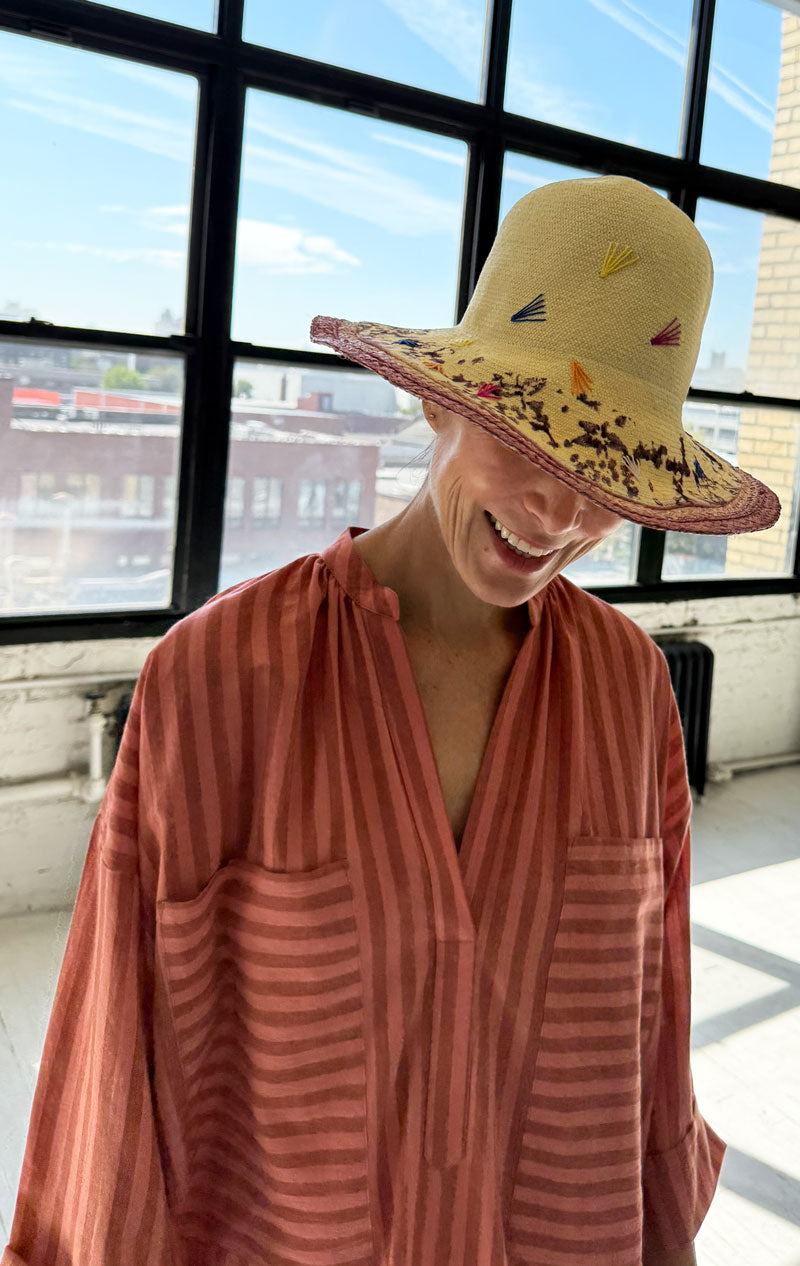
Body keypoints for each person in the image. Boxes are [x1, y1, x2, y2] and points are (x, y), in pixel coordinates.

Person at [1, 175, 780, 1266]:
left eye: (607, 470)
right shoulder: (220, 680)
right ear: (438, 403)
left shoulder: (629, 690)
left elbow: (651, 1026)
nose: (560, 513)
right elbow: (115, 1052)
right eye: (528, 434)